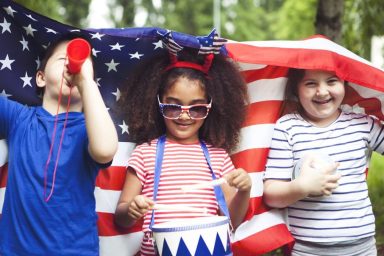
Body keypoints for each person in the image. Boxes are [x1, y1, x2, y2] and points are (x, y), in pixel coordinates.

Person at [114, 48, 252, 255]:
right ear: (158, 103)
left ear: (210, 108)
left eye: (197, 108)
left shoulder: (219, 157)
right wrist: (132, 208)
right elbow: (121, 218)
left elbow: (233, 219)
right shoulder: (145, 153)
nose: (184, 116)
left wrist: (245, 191)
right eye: (173, 107)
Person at [0, 35, 118, 255]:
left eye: (84, 64)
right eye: (63, 59)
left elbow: (105, 150)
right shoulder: (20, 119)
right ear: (41, 78)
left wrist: (86, 82)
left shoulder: (89, 131)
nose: (72, 65)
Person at [263, 68, 381, 256]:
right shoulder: (287, 128)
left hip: (362, 247)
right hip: (306, 249)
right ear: (296, 89)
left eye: (332, 81)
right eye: (311, 83)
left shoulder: (363, 124)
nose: (322, 91)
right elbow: (271, 194)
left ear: (345, 85)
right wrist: (301, 187)